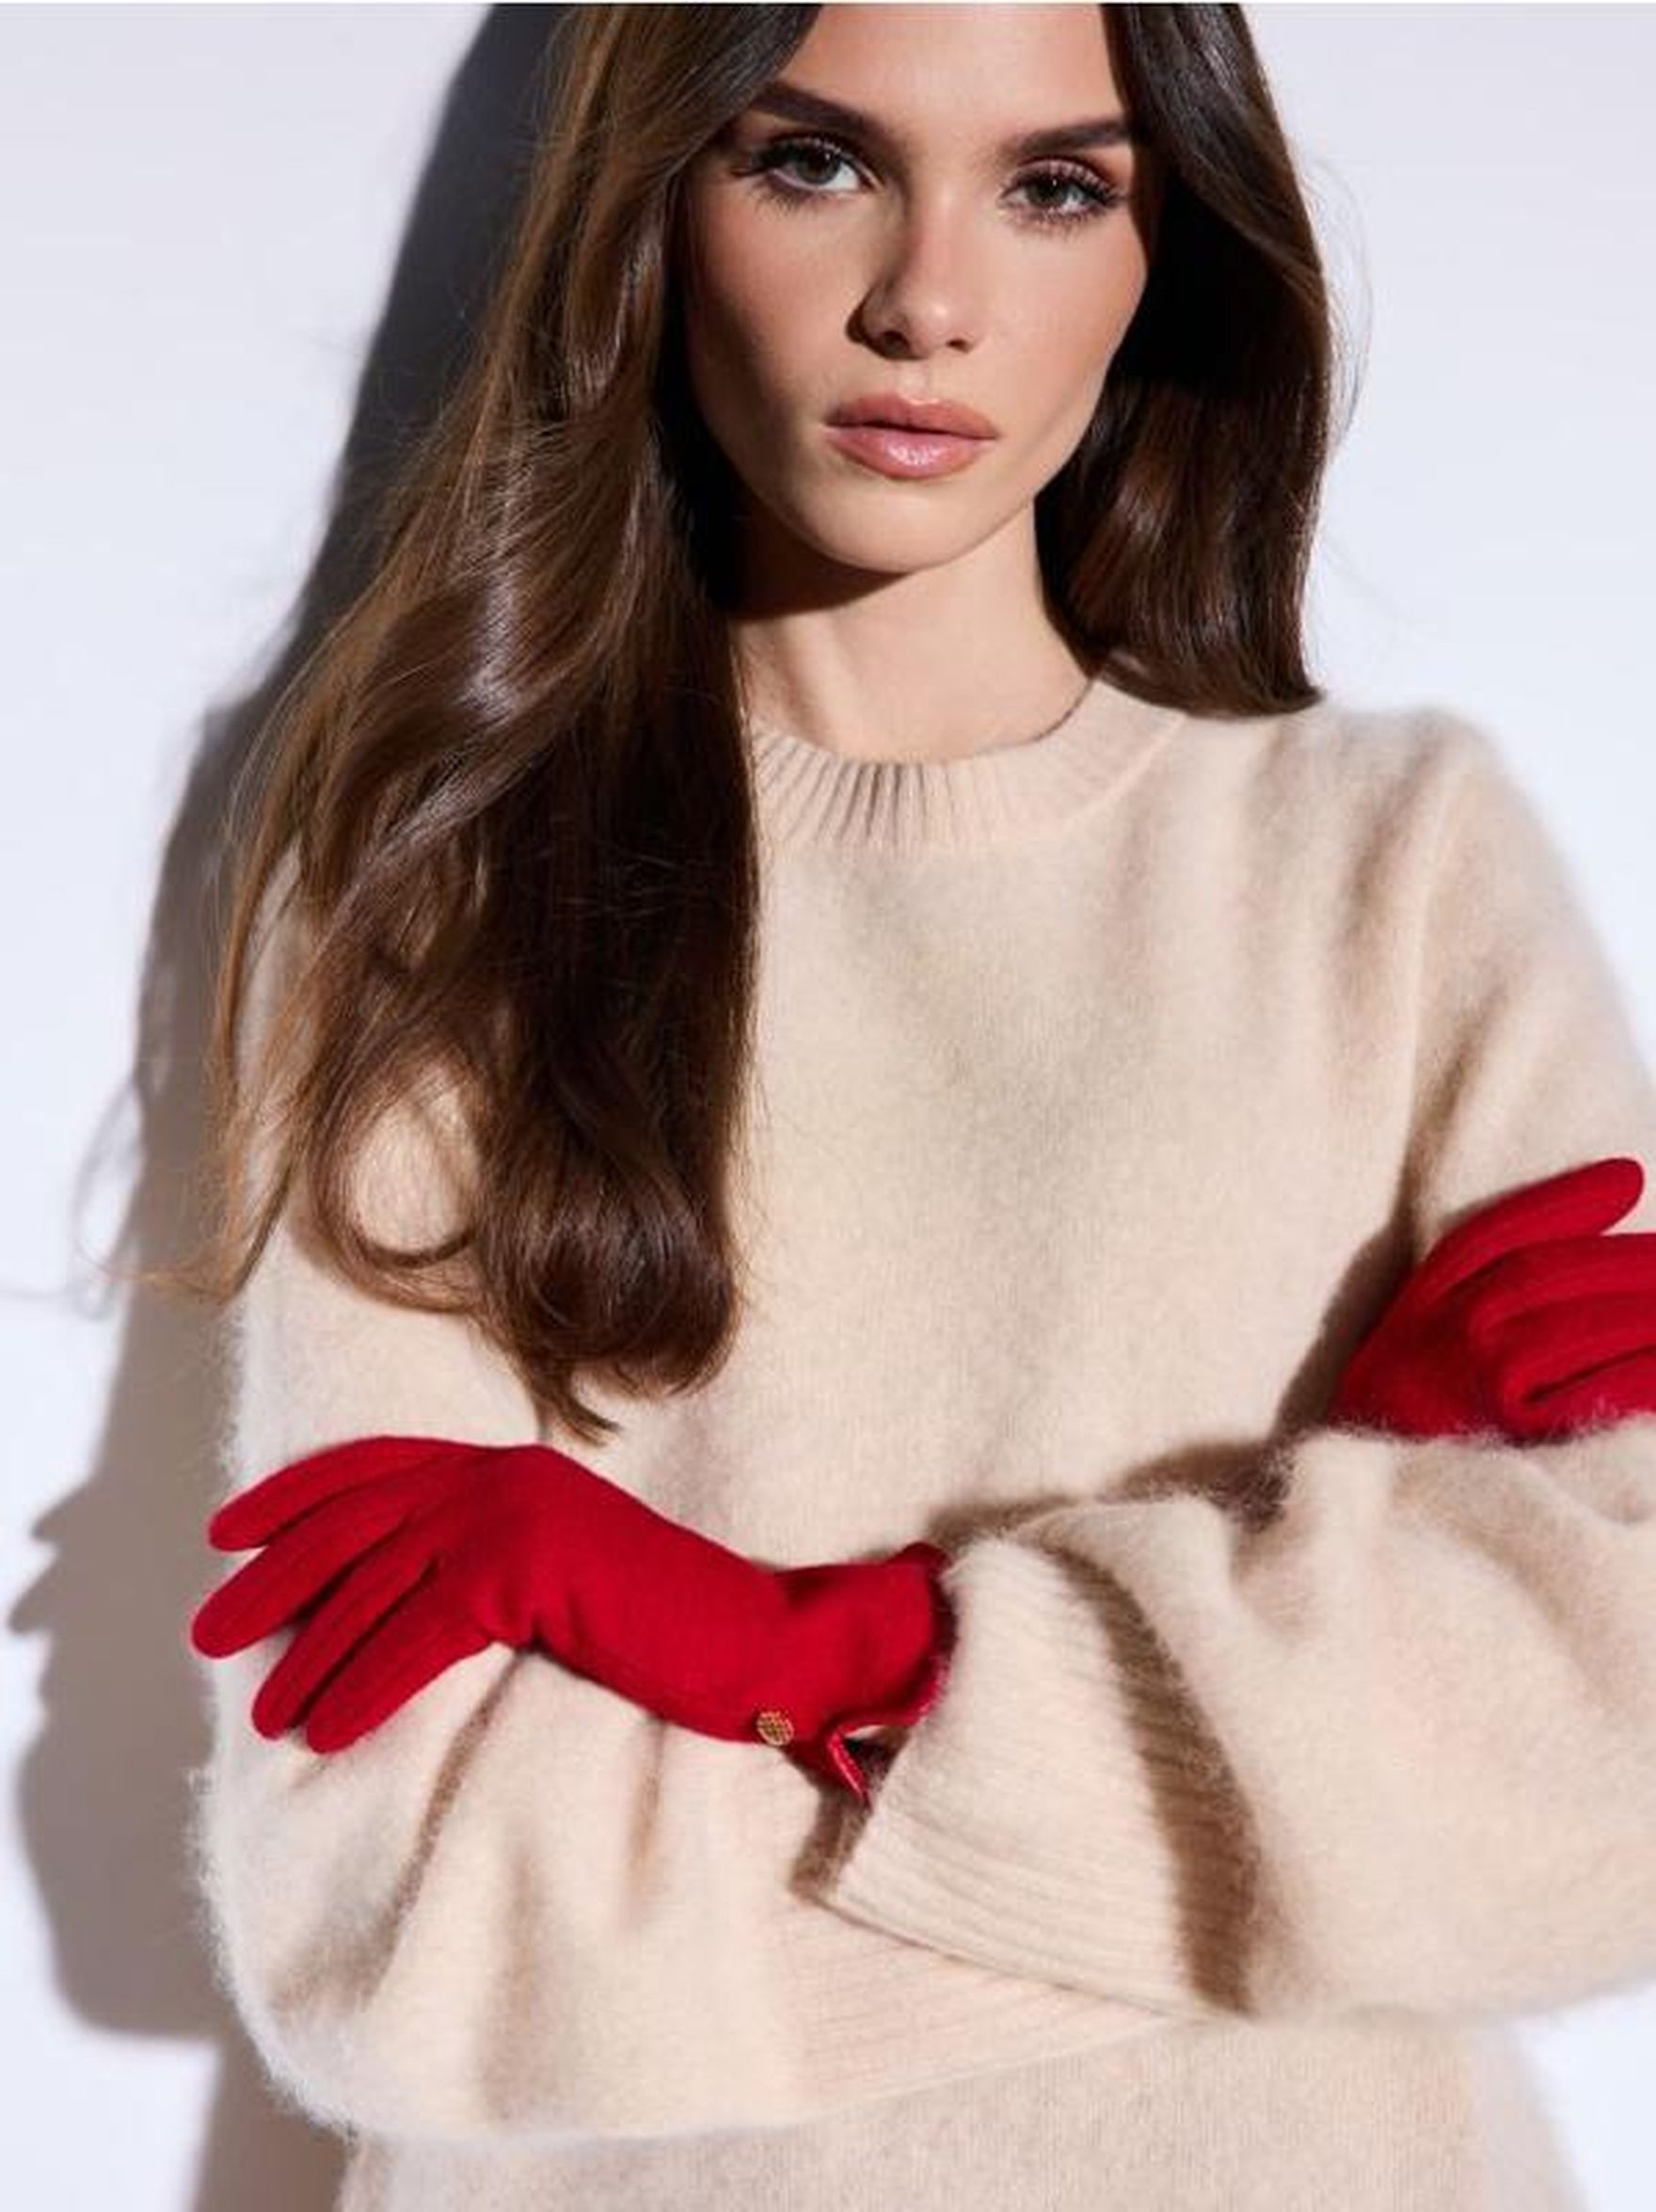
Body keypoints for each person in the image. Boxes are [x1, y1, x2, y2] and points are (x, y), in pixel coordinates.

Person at [167, 7, 1656, 2207]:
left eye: (1053, 186)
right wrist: (1314, 1677)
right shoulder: (444, 902)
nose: (926, 301)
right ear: (655, 207)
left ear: (1165, 256)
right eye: (813, 161)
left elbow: (1608, 1781)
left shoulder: (1389, 869)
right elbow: (403, 1940)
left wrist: (816, 1652)